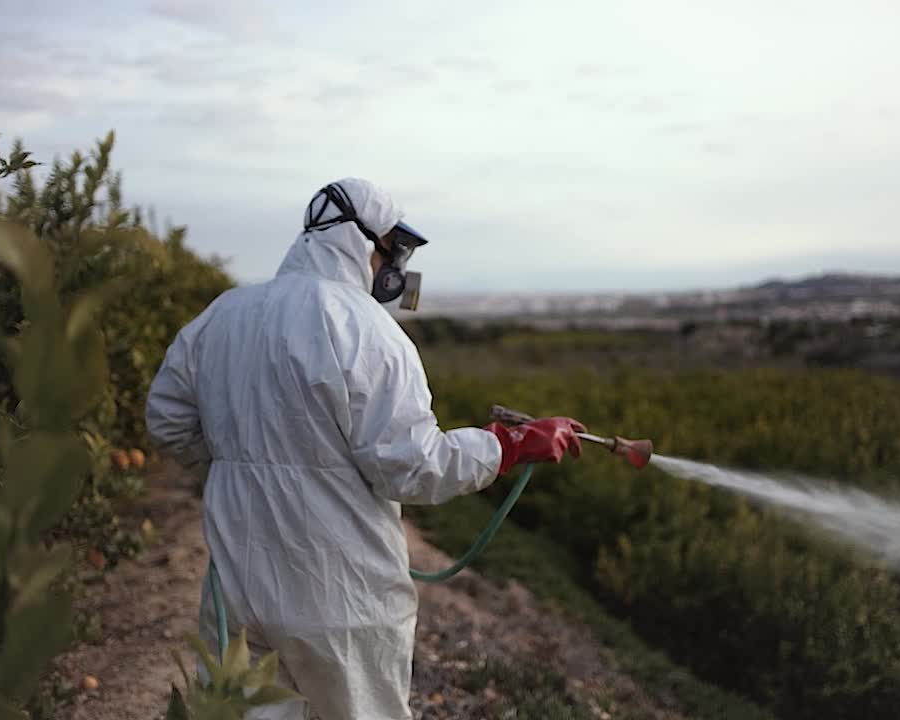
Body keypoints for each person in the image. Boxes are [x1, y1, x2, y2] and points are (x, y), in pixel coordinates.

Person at [145, 177, 585, 720]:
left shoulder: (221, 316)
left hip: (238, 587)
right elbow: (413, 467)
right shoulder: (367, 330)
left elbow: (166, 419)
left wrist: (237, 465)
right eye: (394, 250)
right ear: (362, 243)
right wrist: (506, 447)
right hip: (340, 598)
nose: (394, 268)